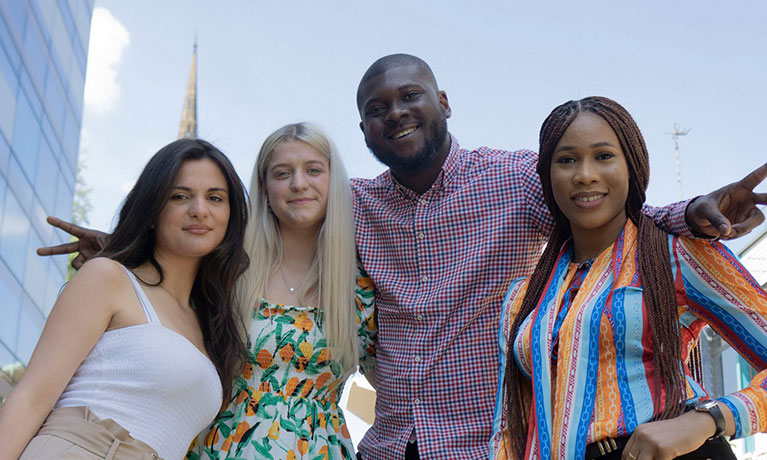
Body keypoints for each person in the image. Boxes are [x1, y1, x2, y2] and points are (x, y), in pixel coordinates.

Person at [38, 54, 767, 460]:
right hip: (385, 449)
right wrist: (134, 244)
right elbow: (239, 220)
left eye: (410, 96)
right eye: (378, 108)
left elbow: (602, 199)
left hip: (481, 446)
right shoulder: (351, 205)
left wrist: (691, 212)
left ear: (444, 100)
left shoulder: (515, 179)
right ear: (363, 129)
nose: (397, 112)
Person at [491, 96, 767, 460]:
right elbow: (510, 428)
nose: (584, 174)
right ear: (548, 175)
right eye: (567, 159)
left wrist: (707, 419)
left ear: (632, 166)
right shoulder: (524, 298)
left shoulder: (675, 255)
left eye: (603, 156)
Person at [0, 139, 249, 460]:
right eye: (180, 196)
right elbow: (31, 398)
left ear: (230, 217)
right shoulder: (108, 277)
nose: (199, 210)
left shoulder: (213, 325)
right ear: (151, 211)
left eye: (215, 198)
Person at [182, 123, 376, 460]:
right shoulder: (225, 269)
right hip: (218, 449)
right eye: (282, 173)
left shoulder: (362, 287)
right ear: (264, 188)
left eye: (314, 170)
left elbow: (398, 389)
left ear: (334, 182)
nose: (299, 183)